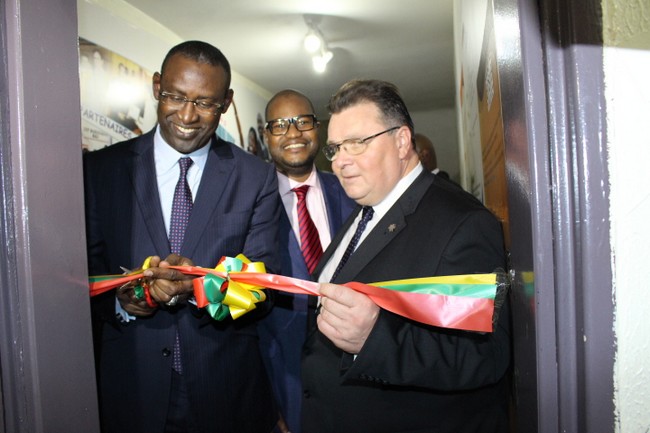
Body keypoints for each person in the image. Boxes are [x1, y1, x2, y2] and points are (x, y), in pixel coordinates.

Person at [84, 40, 281, 433]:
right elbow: (84, 274)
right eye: (176, 96)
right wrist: (127, 299)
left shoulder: (255, 177)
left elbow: (263, 285)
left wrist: (197, 286)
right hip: (132, 388)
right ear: (157, 87)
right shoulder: (101, 170)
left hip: (225, 392)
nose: (188, 115)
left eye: (206, 103)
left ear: (226, 102)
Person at [301, 79, 511, 432]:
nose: (341, 162)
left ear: (401, 141)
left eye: (357, 143)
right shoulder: (366, 208)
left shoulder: (462, 223)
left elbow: (485, 355)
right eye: (335, 148)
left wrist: (373, 339)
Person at [257, 89, 355, 433]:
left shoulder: (351, 191)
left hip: (353, 375)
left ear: (318, 128)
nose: (294, 134)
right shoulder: (248, 201)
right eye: (280, 125)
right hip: (283, 379)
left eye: (303, 122)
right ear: (266, 135)